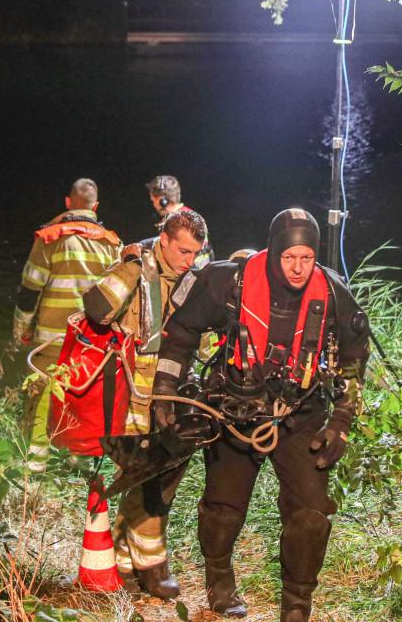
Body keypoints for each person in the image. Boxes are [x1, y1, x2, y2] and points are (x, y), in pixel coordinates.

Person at [151, 208, 370, 621]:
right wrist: (165, 388)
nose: (298, 268)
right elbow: (181, 332)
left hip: (301, 415)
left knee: (311, 513)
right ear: (274, 252)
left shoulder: (333, 292)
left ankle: (296, 605)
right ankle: (219, 580)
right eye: (290, 258)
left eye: (306, 258)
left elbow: (355, 360)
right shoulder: (228, 281)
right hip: (236, 409)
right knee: (223, 510)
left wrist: (341, 422)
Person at [81, 209, 208, 600]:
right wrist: (132, 266)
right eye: (183, 251)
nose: (189, 260)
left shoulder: (192, 276)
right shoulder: (135, 267)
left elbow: (199, 338)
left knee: (163, 472)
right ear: (164, 240)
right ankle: (149, 564)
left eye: (195, 253)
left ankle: (128, 557)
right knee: (145, 470)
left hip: (173, 387)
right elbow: (98, 309)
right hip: (131, 390)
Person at [12, 178, 121, 474]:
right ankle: (81, 459)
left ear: (68, 202)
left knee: (41, 399)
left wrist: (21, 327)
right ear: (95, 207)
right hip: (91, 340)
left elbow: (29, 289)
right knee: (81, 397)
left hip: (51, 339)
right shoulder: (112, 244)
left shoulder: (50, 238)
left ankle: (35, 466)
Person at [146, 175, 213, 267]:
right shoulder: (185, 216)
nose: (153, 204)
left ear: (163, 201)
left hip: (192, 273)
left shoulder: (184, 221)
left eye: (153, 200)